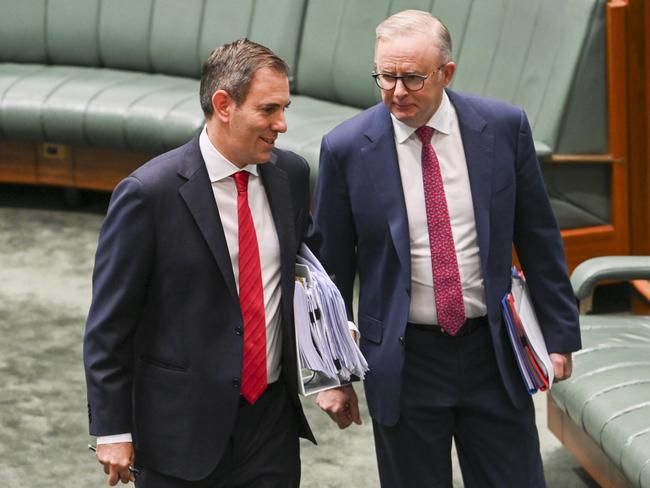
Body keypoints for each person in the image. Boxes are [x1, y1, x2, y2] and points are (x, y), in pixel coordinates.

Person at [314, 10, 581, 488]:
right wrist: (331, 374)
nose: (397, 91)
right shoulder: (346, 148)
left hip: (492, 349)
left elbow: (539, 238)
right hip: (404, 357)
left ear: (446, 73)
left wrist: (559, 336)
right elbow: (330, 273)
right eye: (386, 76)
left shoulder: (502, 128)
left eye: (413, 78)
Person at [83, 38, 318, 487]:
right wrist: (112, 429)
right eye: (269, 110)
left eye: (284, 108)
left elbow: (310, 274)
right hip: (180, 432)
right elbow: (109, 325)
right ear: (224, 104)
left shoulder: (290, 176)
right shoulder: (148, 194)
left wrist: (333, 366)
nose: (282, 125)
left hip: (270, 424)